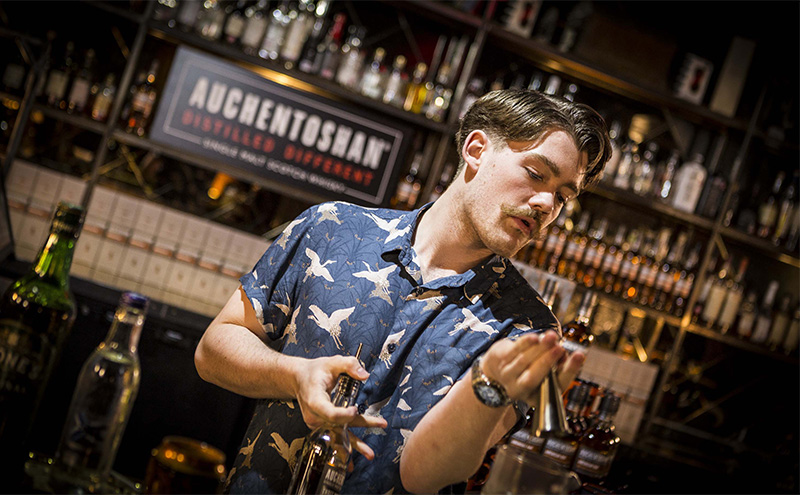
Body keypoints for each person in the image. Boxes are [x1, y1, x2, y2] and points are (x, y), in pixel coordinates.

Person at [194, 88, 611, 494]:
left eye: (562, 197)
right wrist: (293, 377)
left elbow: (423, 475)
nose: (546, 205)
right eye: (536, 174)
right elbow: (213, 351)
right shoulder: (332, 228)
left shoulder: (527, 330)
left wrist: (486, 390)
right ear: (476, 150)